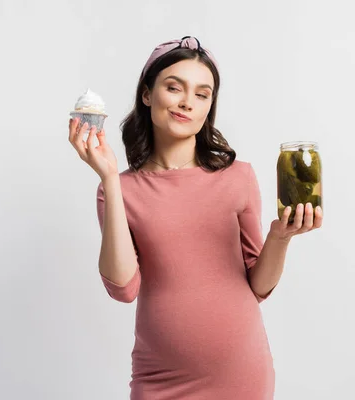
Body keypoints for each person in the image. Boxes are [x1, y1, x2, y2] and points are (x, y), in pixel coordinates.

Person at [68, 36, 323, 400]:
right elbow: (124, 288)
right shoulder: (120, 189)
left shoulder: (239, 177)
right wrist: (109, 177)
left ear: (209, 107)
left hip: (242, 377)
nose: (188, 102)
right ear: (147, 94)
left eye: (202, 94)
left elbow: (258, 286)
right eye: (174, 88)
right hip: (159, 380)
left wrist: (279, 237)